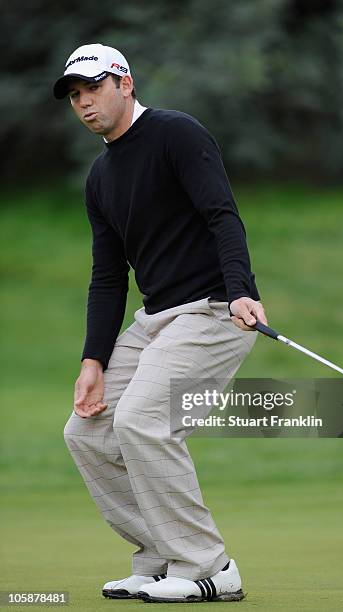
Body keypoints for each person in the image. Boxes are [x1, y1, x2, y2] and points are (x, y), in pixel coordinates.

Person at [54, 43, 267, 604]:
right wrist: (92, 362)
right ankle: (157, 557)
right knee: (87, 432)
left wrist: (242, 291)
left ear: (124, 83)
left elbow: (222, 214)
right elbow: (107, 278)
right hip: (154, 321)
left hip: (214, 311)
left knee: (143, 421)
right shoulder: (100, 177)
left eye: (93, 88)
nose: (84, 103)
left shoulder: (177, 133)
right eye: (75, 95)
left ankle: (209, 567)